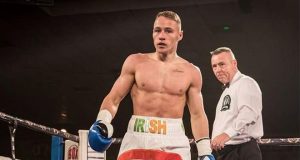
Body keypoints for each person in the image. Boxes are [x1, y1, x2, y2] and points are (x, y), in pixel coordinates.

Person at [88, 11, 215, 160]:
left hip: (174, 139)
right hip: (137, 137)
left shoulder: (191, 72)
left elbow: (197, 114)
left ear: (180, 35)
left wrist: (205, 151)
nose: (162, 36)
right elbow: (114, 98)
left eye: (168, 31)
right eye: (157, 30)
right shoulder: (135, 62)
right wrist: (102, 122)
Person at [209, 47, 263, 160]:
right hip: (227, 153)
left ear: (234, 63)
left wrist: (227, 134)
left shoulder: (246, 83)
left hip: (242, 151)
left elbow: (248, 114)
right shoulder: (228, 90)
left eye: (222, 64)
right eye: (214, 66)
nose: (218, 70)